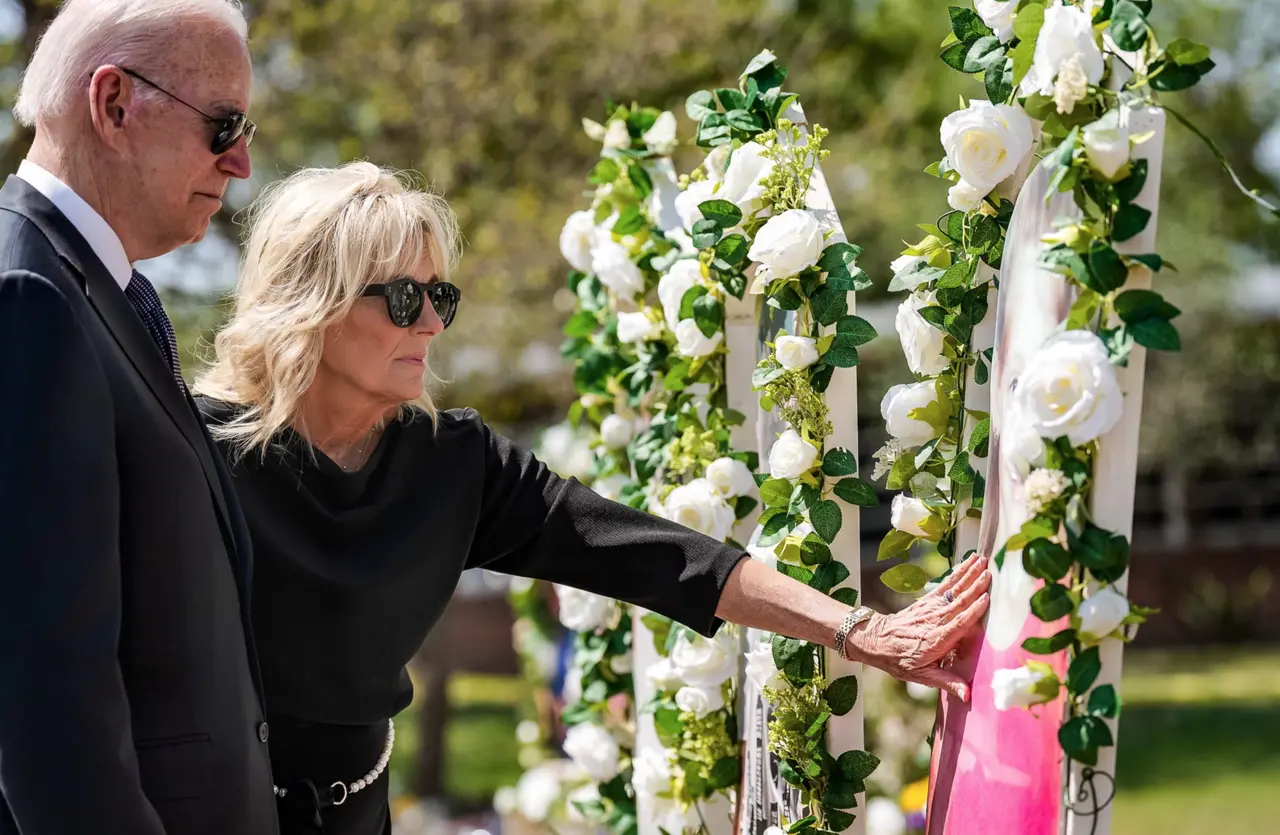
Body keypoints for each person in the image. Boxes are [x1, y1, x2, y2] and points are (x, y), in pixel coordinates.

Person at [193, 161, 991, 835]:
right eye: (406, 299)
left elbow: (657, 556)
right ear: (316, 303)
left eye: (445, 298)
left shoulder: (452, 462)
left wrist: (859, 630)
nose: (433, 323)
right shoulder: (196, 450)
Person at [0, 2, 278, 834]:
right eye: (223, 124)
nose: (240, 162)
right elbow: (45, 699)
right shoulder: (28, 297)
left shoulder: (94, 289)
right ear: (114, 103)